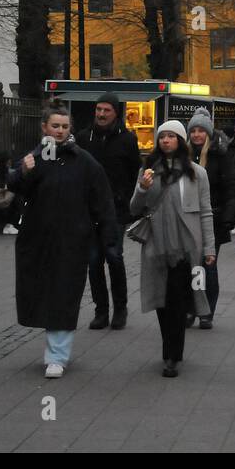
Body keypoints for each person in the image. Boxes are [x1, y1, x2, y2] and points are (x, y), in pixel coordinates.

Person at [8, 102, 118, 379]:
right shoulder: (36, 157)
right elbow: (14, 185)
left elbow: (102, 200)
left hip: (72, 242)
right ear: (44, 127)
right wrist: (23, 171)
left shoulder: (84, 161)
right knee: (43, 294)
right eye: (54, 126)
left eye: (64, 126)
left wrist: (108, 238)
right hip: (38, 241)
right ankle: (52, 349)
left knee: (65, 295)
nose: (59, 131)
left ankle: (57, 356)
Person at [129, 120, 216, 377]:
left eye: (171, 136)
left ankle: (172, 355)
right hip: (157, 243)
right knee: (162, 300)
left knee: (178, 299)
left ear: (180, 141)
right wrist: (142, 188)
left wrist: (209, 247)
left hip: (186, 246)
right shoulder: (148, 170)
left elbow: (205, 213)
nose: (165, 140)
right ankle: (169, 345)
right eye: (162, 136)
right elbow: (135, 209)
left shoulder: (197, 173)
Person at [79, 92, 140, 331]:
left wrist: (125, 201)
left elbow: (134, 171)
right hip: (89, 211)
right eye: (99, 109)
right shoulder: (85, 137)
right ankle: (100, 310)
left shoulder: (127, 139)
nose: (101, 114)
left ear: (116, 113)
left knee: (114, 257)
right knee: (94, 261)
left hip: (115, 210)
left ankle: (120, 309)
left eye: (107, 110)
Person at [186, 108, 235, 329]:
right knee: (189, 266)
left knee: (209, 266)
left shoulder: (220, 154)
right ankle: (190, 308)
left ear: (208, 133)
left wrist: (228, 216)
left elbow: (230, 187)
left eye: (201, 131)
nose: (197, 135)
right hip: (187, 219)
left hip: (213, 219)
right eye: (193, 131)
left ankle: (207, 311)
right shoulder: (184, 155)